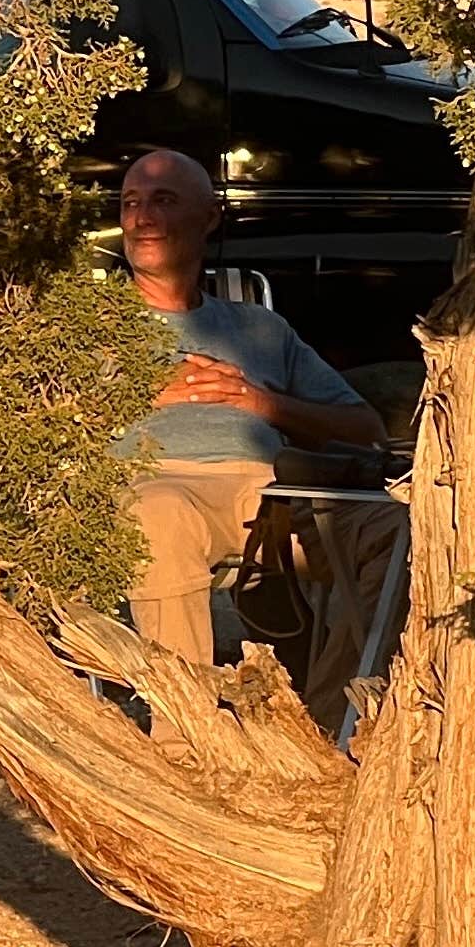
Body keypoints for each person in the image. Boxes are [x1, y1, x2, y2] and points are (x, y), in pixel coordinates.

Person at [114, 146, 387, 667]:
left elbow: (366, 429)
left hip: (275, 495)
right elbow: (34, 424)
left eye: (164, 200)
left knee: (397, 533)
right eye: (130, 203)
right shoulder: (87, 321)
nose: (142, 217)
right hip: (154, 484)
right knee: (159, 515)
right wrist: (138, 394)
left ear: (210, 216)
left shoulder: (260, 328)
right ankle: (185, 740)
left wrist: (263, 402)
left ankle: (337, 722)